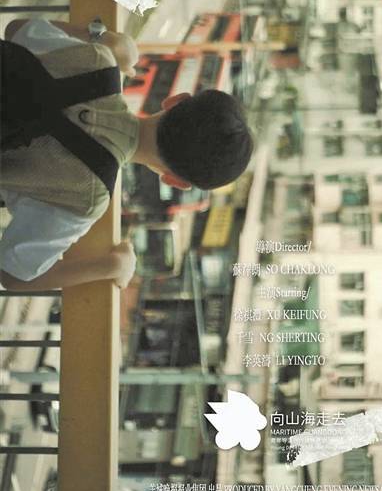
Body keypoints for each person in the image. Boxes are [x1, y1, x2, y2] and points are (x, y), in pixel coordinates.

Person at [0, 17, 253, 292]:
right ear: (176, 181)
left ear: (175, 100)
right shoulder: (88, 196)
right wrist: (112, 266)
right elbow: (13, 275)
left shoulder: (99, 61)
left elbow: (16, 29)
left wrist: (100, 37)